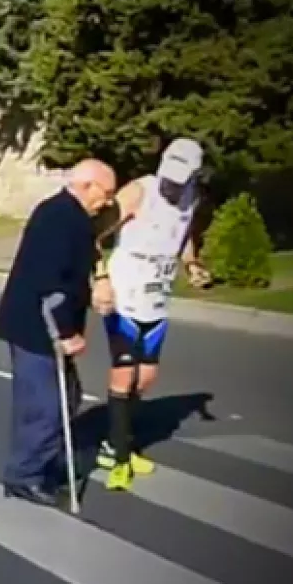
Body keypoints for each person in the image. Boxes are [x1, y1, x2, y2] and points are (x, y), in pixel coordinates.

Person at [89, 138, 213, 492]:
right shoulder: (140, 192)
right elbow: (93, 234)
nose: (171, 186)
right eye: (169, 177)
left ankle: (119, 440)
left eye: (179, 180)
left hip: (156, 299)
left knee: (145, 378)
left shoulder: (192, 197)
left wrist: (190, 263)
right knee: (123, 375)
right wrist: (101, 280)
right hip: (124, 294)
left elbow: (184, 232)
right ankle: (118, 456)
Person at [0, 159, 117, 508]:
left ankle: (39, 464)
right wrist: (65, 332)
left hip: (37, 323)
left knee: (67, 396)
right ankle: (24, 476)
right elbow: (51, 284)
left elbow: (79, 266)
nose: (107, 202)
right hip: (38, 327)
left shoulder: (69, 214)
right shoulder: (63, 218)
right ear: (87, 186)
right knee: (47, 406)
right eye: (105, 193)